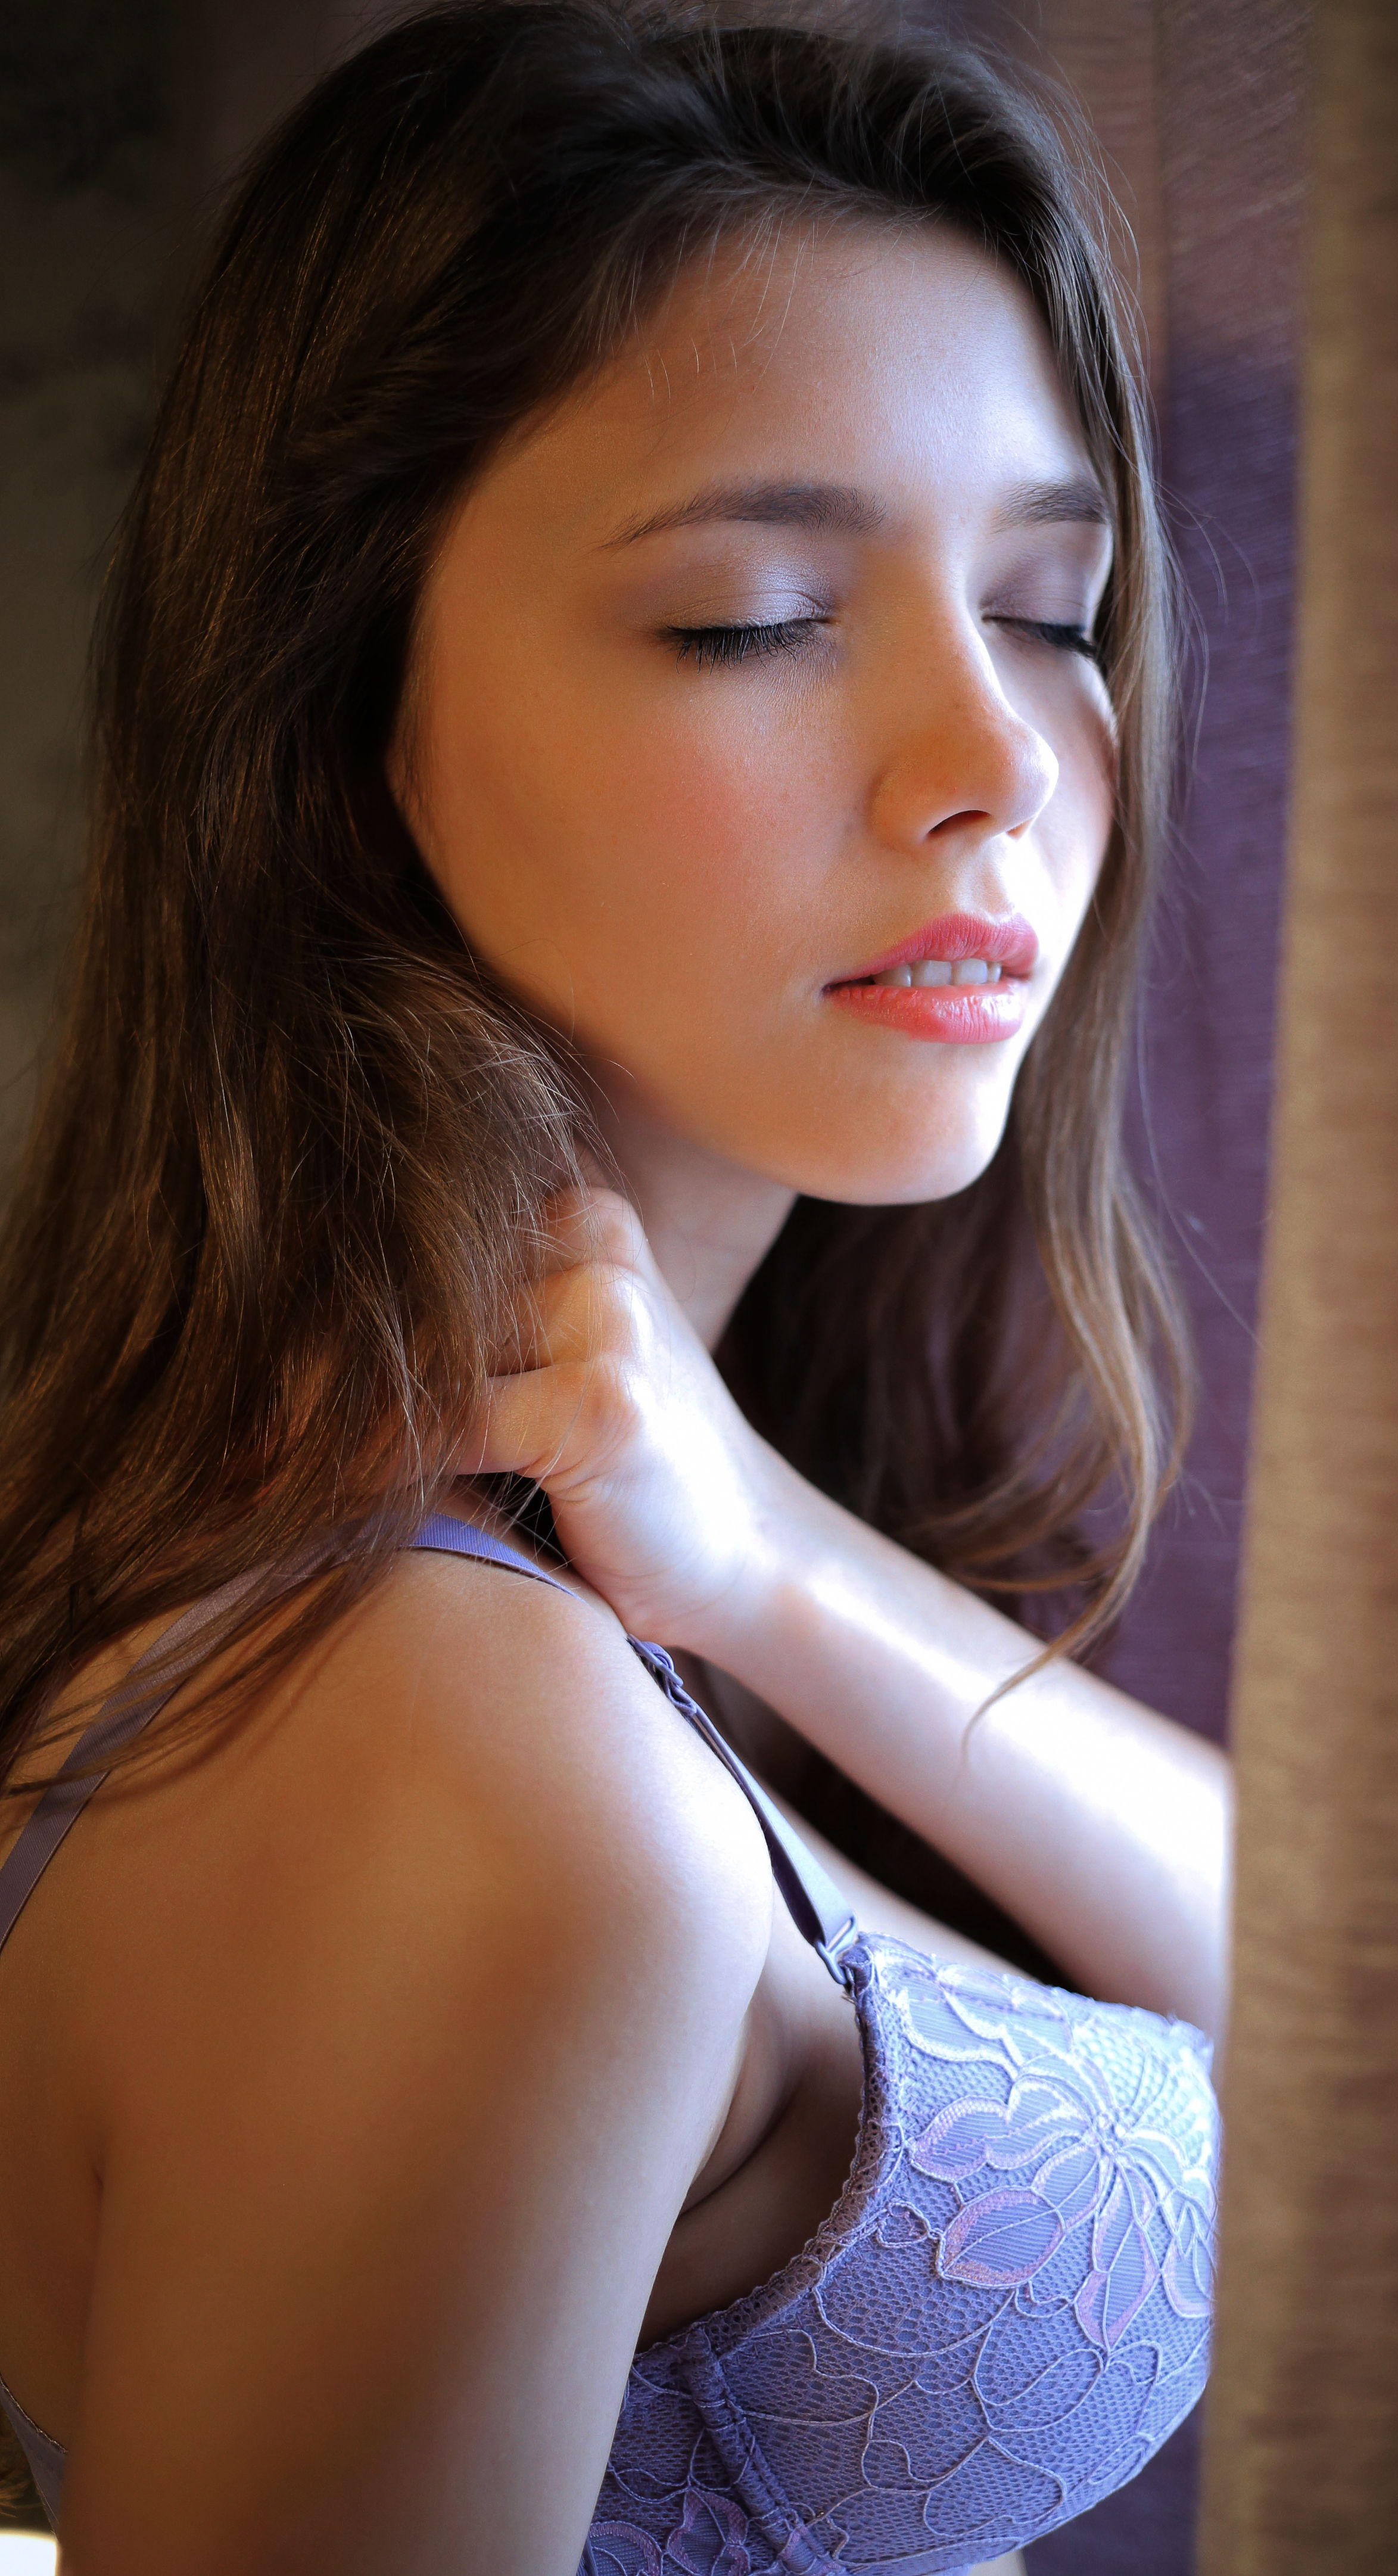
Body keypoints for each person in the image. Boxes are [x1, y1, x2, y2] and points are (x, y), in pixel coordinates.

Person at [0, 6, 1231, 2568]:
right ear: (347, 721)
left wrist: (769, 1558)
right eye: (756, 618)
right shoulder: (443, 1749)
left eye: (1052, 606)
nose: (996, 758)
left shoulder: (582, 1592)